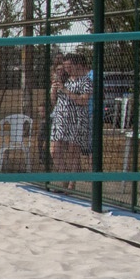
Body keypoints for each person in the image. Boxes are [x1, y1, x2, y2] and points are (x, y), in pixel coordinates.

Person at [49, 54, 91, 187]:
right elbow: (54, 102)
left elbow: (84, 101)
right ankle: (64, 178)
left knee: (73, 152)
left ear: (77, 65)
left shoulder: (86, 81)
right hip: (60, 118)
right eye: (65, 66)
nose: (67, 69)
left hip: (76, 119)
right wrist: (54, 91)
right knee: (54, 150)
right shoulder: (65, 79)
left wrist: (65, 90)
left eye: (69, 66)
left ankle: (71, 184)